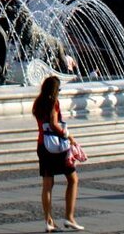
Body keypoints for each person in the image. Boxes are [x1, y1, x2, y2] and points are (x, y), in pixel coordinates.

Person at [33, 76, 83, 231]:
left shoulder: (37, 103)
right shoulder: (54, 103)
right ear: (54, 90)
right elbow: (54, 124)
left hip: (43, 145)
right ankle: (69, 217)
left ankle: (48, 220)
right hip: (57, 147)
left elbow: (43, 123)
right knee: (73, 179)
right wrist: (68, 136)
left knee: (47, 184)